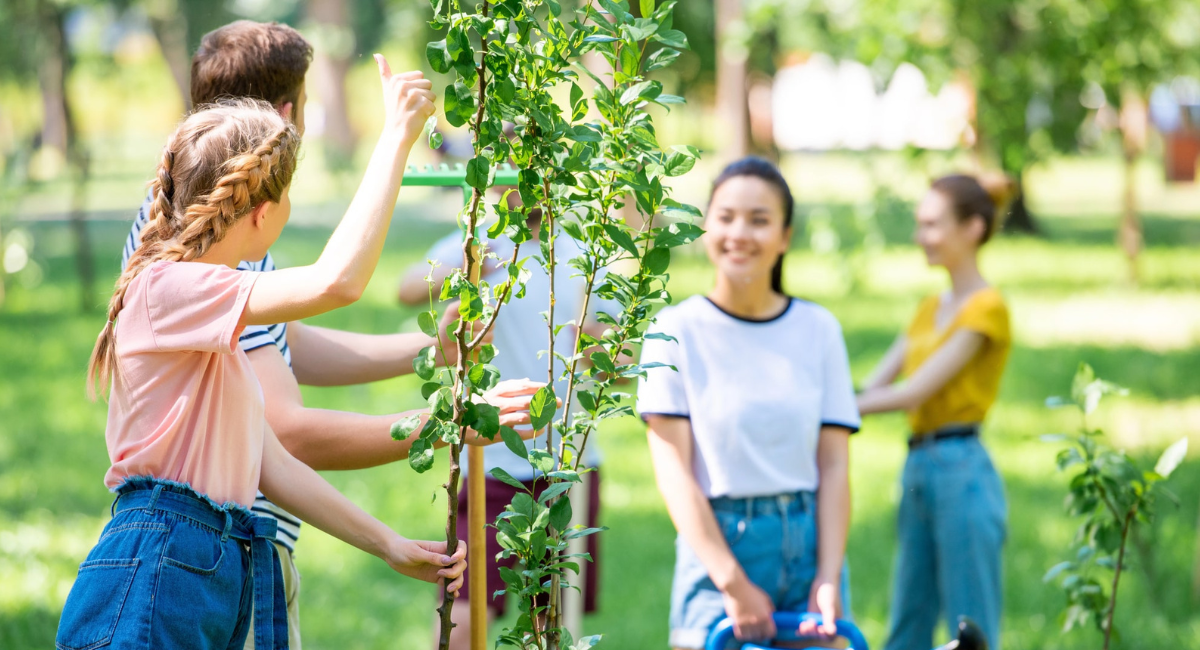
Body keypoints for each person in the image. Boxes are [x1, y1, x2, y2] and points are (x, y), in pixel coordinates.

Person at [57, 59, 536, 650]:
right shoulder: (167, 289)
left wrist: (388, 541)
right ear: (264, 211)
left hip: (210, 564)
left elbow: (274, 465)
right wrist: (395, 138)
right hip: (157, 563)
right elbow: (337, 282)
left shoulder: (214, 328)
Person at [637, 157, 858, 649]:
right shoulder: (673, 331)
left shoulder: (819, 329)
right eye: (726, 216)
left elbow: (835, 465)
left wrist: (828, 573)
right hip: (717, 551)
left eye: (760, 220)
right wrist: (733, 583)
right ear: (706, 226)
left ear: (784, 237)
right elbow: (674, 472)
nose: (740, 232)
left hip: (810, 549)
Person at [397, 204, 607, 649]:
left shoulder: (583, 256)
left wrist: (603, 349)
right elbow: (407, 288)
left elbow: (621, 367)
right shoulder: (477, 244)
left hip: (568, 461)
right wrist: (468, 262)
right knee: (464, 601)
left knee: (555, 613)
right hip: (487, 457)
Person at [857, 175, 1012, 650]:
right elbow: (873, 386)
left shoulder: (986, 310)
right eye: (919, 224)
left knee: (971, 628)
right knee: (908, 621)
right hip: (919, 468)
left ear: (973, 228)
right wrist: (831, 403)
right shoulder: (929, 308)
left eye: (932, 224)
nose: (921, 236)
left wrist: (822, 409)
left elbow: (912, 393)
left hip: (962, 469)